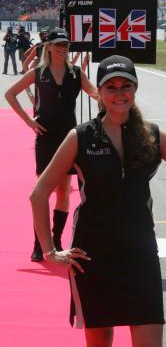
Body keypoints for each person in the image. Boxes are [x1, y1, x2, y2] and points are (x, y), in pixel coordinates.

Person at [29, 54, 166, 347]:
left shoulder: (152, 136)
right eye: (111, 86)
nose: (119, 93)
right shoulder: (81, 137)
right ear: (99, 92)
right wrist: (51, 252)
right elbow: (38, 194)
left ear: (135, 89)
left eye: (125, 85)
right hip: (92, 257)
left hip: (140, 256)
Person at [5, 28, 98, 262]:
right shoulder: (38, 73)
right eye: (58, 45)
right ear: (48, 47)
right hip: (45, 138)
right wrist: (28, 121)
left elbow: (97, 95)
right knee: (42, 191)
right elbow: (10, 94)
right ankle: (39, 243)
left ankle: (56, 240)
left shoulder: (76, 73)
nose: (63, 49)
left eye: (65, 45)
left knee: (64, 191)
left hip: (69, 139)